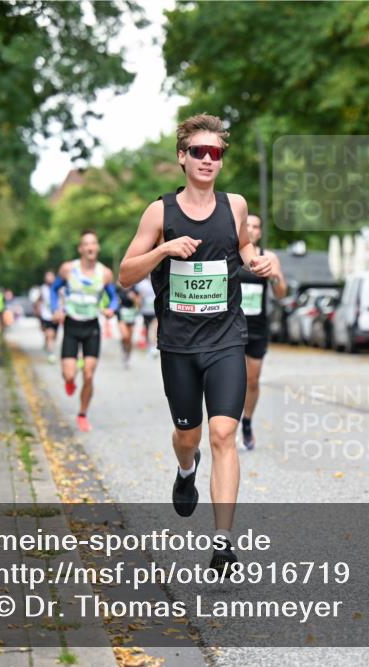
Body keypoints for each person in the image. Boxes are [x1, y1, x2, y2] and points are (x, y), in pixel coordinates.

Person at [119, 113, 273, 572]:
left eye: (216, 153)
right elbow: (125, 274)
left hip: (226, 337)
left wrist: (257, 264)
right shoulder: (160, 212)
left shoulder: (236, 206)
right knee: (189, 435)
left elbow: (244, 253)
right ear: (182, 157)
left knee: (224, 432)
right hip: (179, 343)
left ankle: (223, 541)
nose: (208, 160)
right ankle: (186, 470)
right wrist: (164, 249)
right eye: (199, 152)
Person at [49, 229, 119, 433]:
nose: (90, 247)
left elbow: (113, 298)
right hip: (71, 325)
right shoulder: (68, 269)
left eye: (93, 243)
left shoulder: (105, 273)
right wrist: (56, 309)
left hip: (91, 327)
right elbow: (54, 290)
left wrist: (110, 309)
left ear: (97, 247)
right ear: (81, 249)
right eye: (86, 244)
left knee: (88, 375)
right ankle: (70, 380)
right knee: (69, 375)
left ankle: (82, 414)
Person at [237, 214, 287, 450]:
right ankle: (227, 423)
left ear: (260, 232)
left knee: (252, 380)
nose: (252, 229)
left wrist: (275, 278)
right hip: (230, 326)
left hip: (257, 326)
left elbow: (281, 293)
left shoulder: (269, 257)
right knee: (229, 378)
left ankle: (247, 421)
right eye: (247, 225)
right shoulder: (231, 254)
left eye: (256, 226)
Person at [35, 271, 60, 363]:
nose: (49, 278)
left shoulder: (58, 288)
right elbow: (38, 301)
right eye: (48, 276)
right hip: (46, 316)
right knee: (50, 335)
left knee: (54, 336)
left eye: (51, 276)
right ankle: (51, 354)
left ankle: (47, 345)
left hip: (56, 315)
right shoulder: (43, 289)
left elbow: (62, 300)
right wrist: (38, 313)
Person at [116, 284, 140, 369]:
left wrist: (134, 298)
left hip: (131, 315)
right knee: (125, 336)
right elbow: (113, 301)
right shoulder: (118, 290)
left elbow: (139, 304)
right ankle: (123, 349)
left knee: (129, 339)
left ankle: (128, 355)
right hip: (121, 316)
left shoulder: (135, 289)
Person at [134, 275, 157, 356]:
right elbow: (138, 297)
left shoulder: (158, 281)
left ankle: (153, 346)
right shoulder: (142, 284)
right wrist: (138, 305)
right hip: (145, 311)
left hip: (155, 311)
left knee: (154, 328)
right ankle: (149, 346)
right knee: (147, 329)